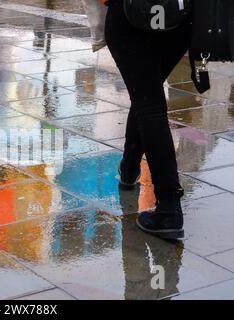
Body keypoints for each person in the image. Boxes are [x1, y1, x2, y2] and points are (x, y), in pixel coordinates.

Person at [103, 0, 191, 239]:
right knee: (146, 93)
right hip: (181, 17)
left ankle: (169, 207)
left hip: (130, 14)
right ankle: (129, 167)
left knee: (149, 102)